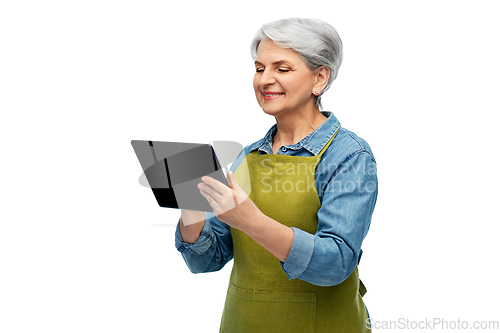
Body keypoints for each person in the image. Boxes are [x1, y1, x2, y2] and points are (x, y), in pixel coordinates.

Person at [175, 18, 378, 332]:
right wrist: (190, 207)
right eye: (259, 68)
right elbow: (206, 260)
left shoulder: (348, 156)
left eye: (282, 69)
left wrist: (250, 220)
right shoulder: (249, 157)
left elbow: (336, 262)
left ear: (319, 79)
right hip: (244, 323)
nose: (264, 80)